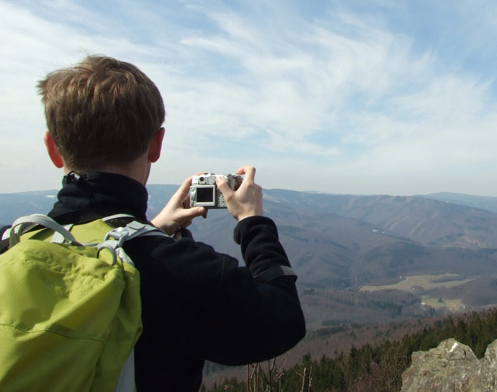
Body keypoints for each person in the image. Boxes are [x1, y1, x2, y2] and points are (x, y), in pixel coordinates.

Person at [34, 54, 305, 391]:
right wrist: (253, 221)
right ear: (156, 144)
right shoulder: (177, 272)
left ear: (52, 148)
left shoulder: (12, 245)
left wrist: (150, 230)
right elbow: (285, 321)